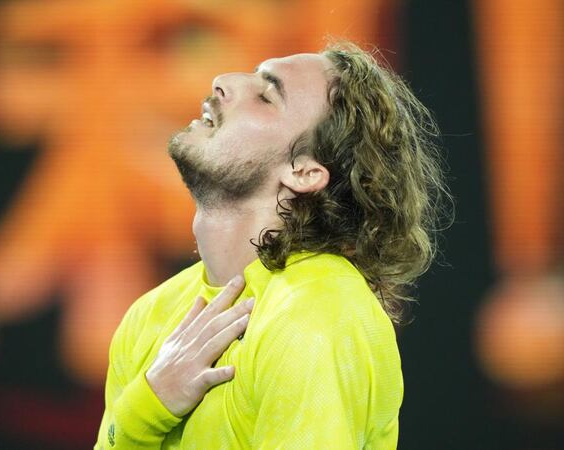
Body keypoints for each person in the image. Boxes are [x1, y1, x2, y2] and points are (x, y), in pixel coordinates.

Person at [94, 40, 450, 449]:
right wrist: (147, 405)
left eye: (266, 96)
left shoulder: (317, 312)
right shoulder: (149, 315)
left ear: (303, 172)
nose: (223, 81)